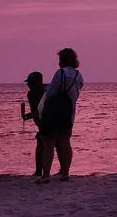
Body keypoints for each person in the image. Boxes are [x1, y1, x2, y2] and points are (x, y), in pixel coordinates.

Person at [38, 47, 84, 183]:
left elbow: (51, 93)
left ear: (62, 60)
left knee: (48, 144)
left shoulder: (60, 73)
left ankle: (45, 175)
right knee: (65, 142)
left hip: (54, 113)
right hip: (68, 113)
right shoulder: (78, 75)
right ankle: (65, 173)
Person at [21, 71, 47, 177]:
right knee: (44, 144)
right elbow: (37, 111)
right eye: (29, 83)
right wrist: (29, 115)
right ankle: (39, 170)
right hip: (42, 123)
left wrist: (29, 116)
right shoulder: (31, 93)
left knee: (43, 145)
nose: (28, 85)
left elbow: (43, 110)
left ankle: (39, 171)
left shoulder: (47, 92)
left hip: (50, 121)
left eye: (31, 83)